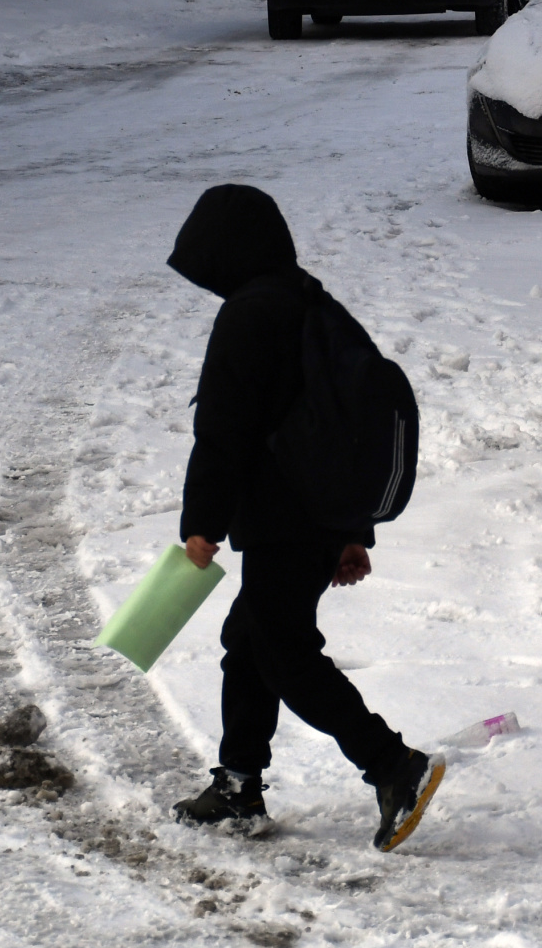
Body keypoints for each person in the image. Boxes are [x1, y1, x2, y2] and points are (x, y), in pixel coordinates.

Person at [165, 183, 444, 853]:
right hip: (315, 517)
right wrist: (350, 530)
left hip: (282, 517)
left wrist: (202, 522)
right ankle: (239, 784)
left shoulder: (250, 315)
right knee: (251, 641)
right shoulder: (316, 306)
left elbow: (224, 430)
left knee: (283, 651)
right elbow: (352, 422)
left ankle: (392, 765)